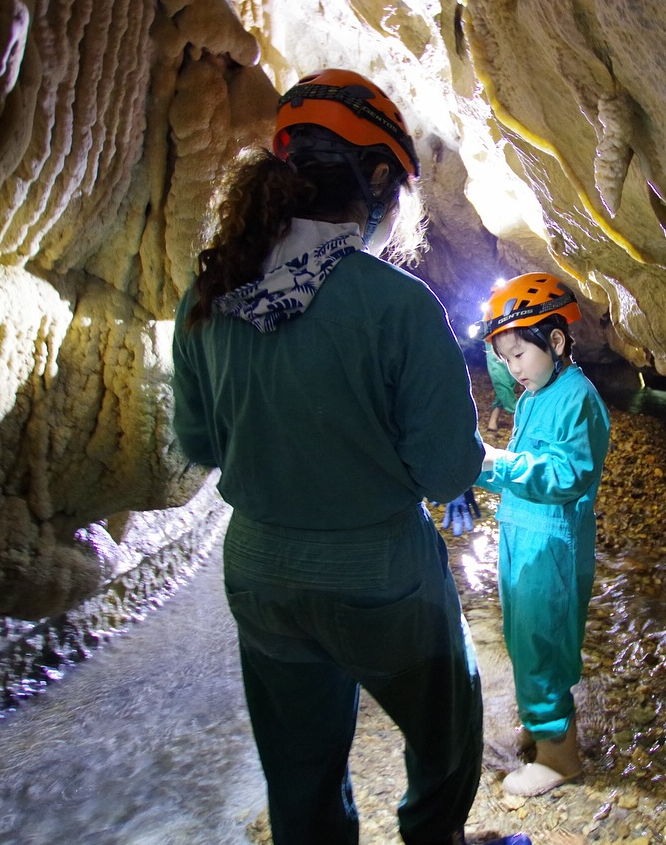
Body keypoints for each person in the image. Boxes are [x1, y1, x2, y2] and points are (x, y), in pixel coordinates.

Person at [171, 69, 509, 845]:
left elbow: (197, 445)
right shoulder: (395, 304)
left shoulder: (213, 291)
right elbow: (449, 471)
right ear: (382, 178)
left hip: (258, 572)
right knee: (445, 737)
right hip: (380, 575)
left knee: (300, 771)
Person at [473, 274, 611, 797]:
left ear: (556, 342)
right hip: (522, 533)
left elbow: (565, 475)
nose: (511, 370)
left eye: (518, 355)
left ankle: (560, 758)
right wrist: (498, 336)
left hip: (551, 541)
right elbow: (507, 373)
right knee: (522, 635)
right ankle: (538, 724)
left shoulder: (577, 398)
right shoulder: (537, 389)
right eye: (503, 357)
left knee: (542, 638)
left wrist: (494, 464)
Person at [484, 339, 520, 432]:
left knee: (509, 382)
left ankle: (493, 419)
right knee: (501, 381)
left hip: (510, 340)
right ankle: (517, 417)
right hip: (492, 341)